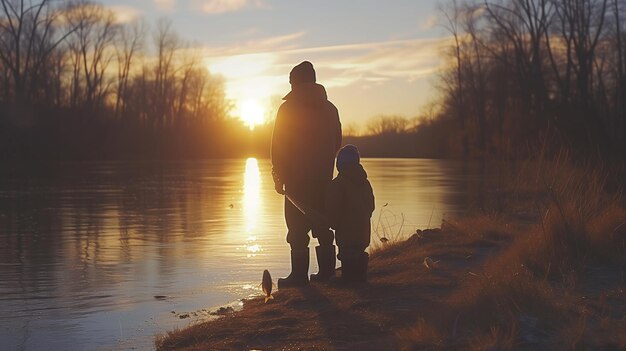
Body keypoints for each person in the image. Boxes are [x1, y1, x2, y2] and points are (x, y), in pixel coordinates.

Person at [271, 61, 342, 287]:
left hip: (295, 180)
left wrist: (278, 175)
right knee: (323, 225)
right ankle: (327, 274)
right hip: (323, 178)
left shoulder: (288, 109)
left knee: (297, 231)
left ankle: (299, 277)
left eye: (291, 81)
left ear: (297, 81)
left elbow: (279, 145)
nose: (290, 85)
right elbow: (337, 143)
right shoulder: (331, 108)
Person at [326, 145, 375, 282]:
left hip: (346, 234)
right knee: (359, 251)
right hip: (363, 233)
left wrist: (331, 223)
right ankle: (359, 276)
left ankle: (348, 278)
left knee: (347, 252)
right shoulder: (365, 183)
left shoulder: (337, 185)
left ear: (339, 165)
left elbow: (333, 211)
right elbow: (371, 207)